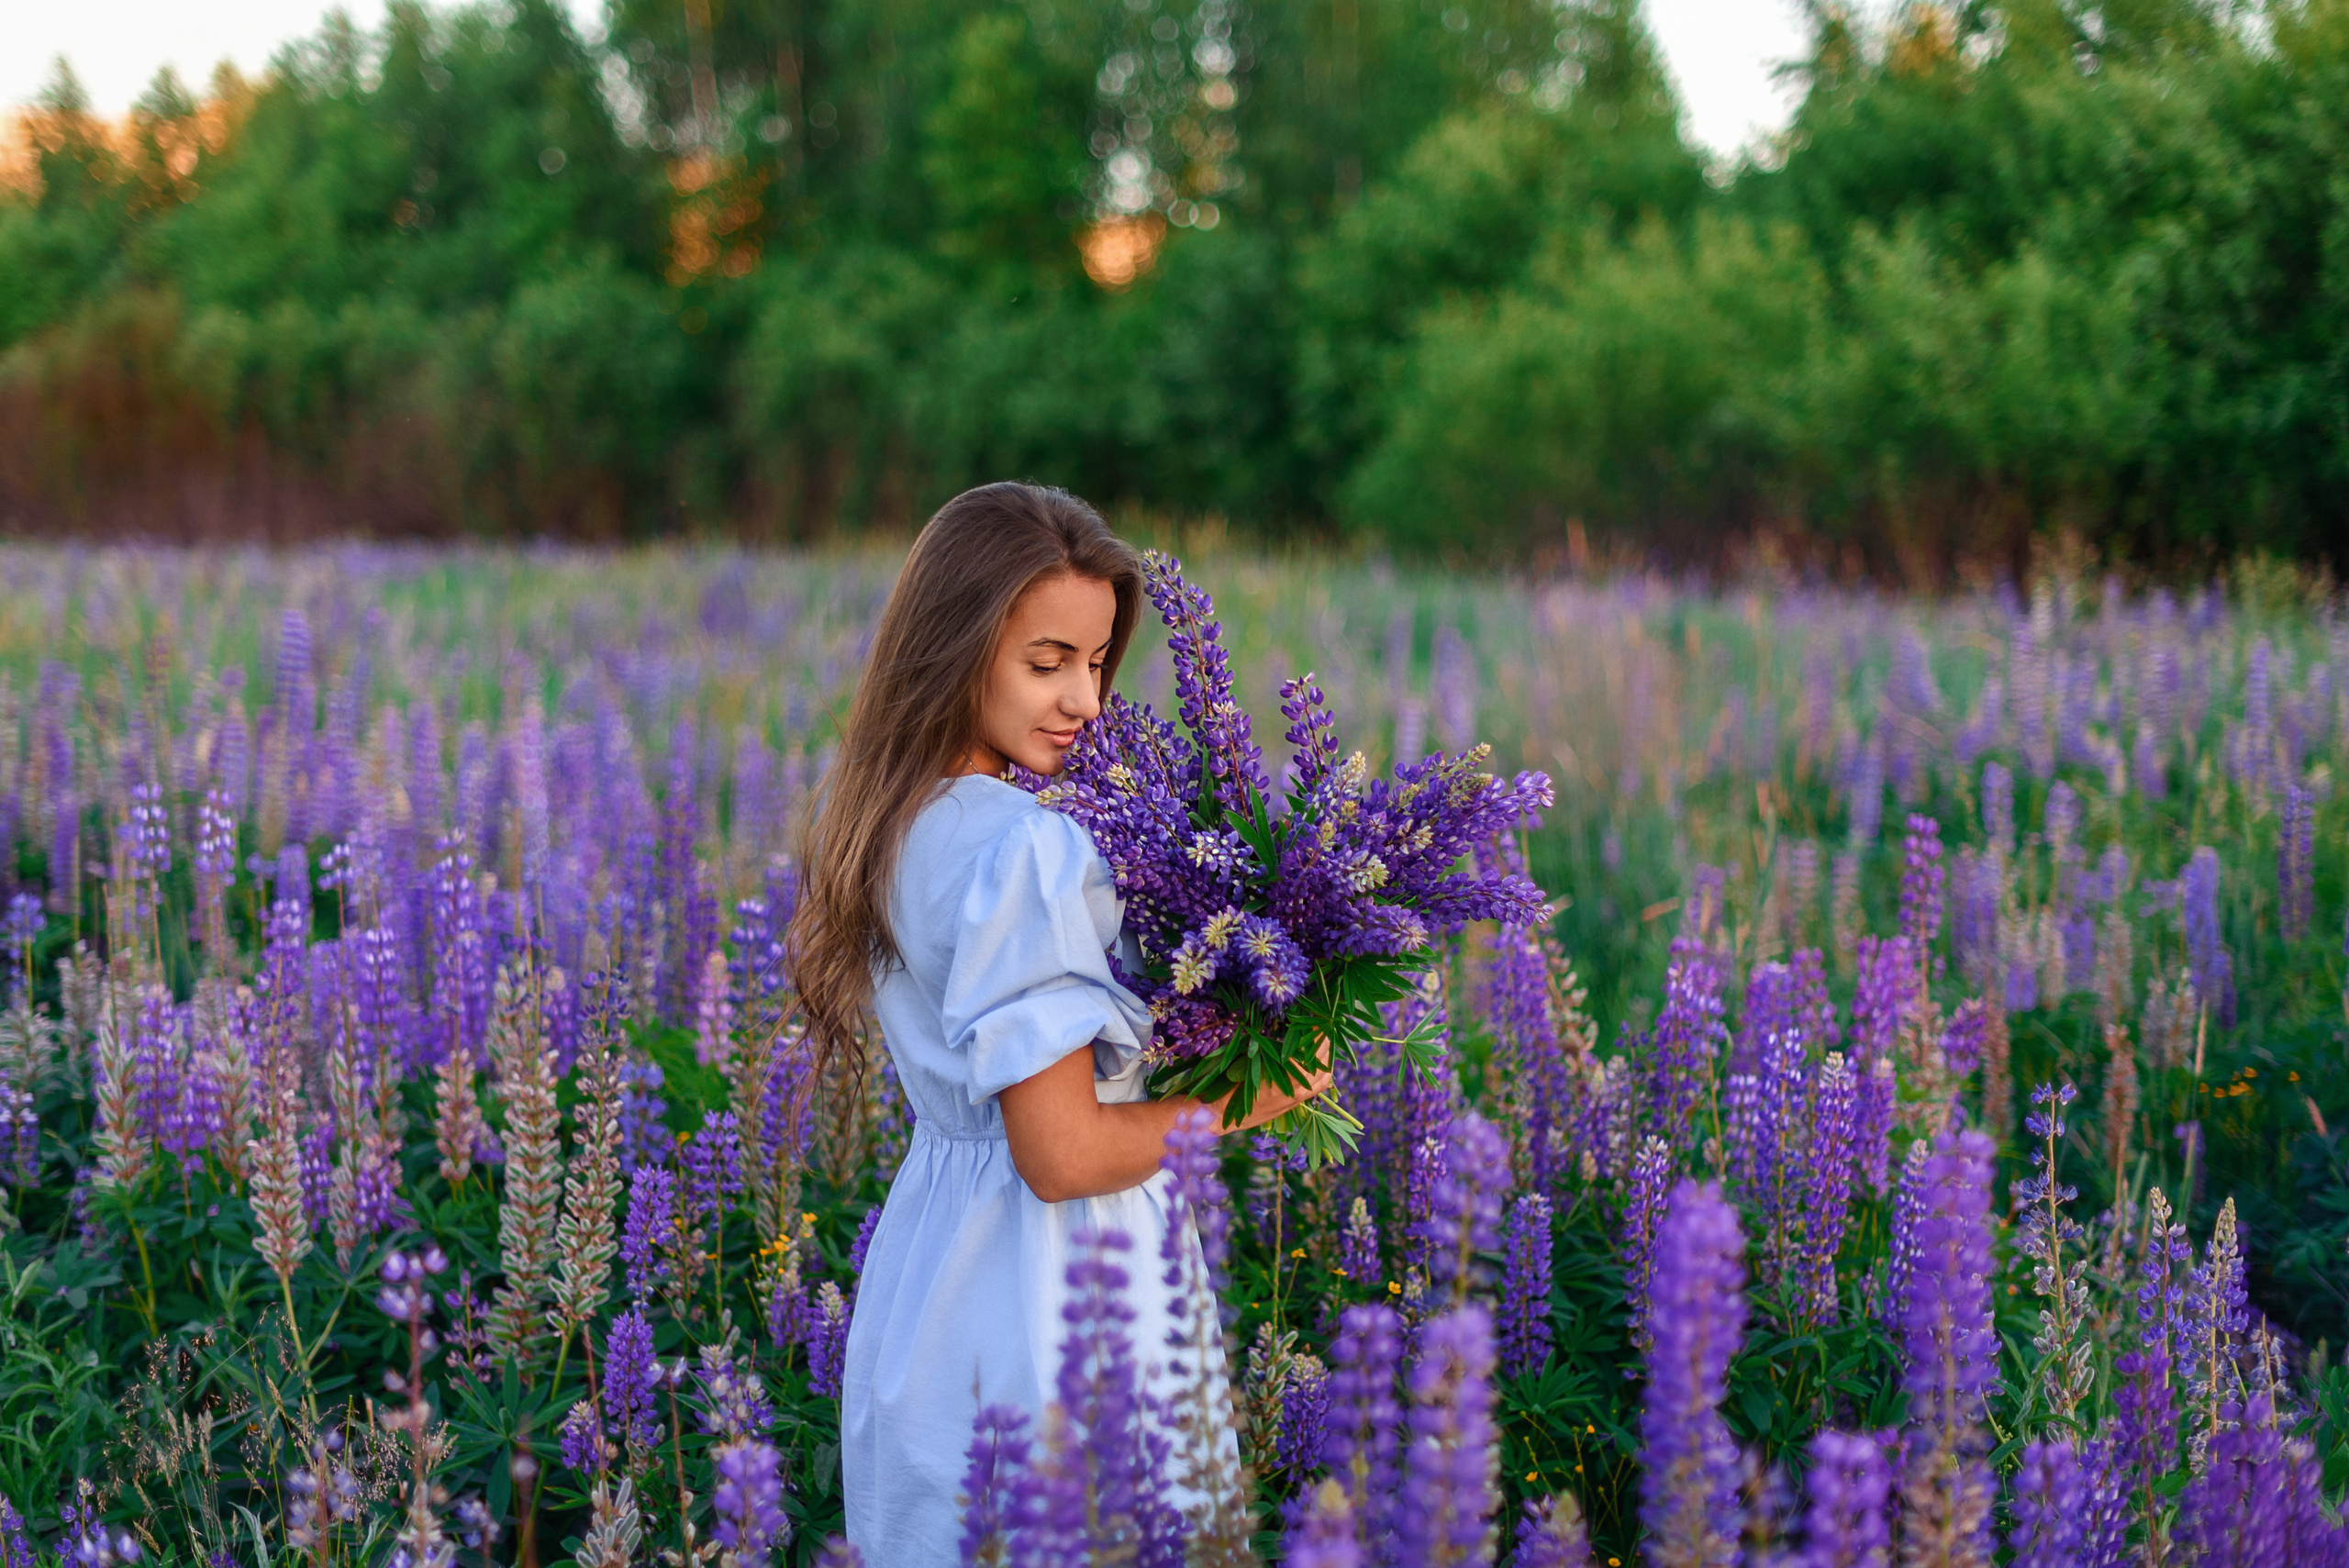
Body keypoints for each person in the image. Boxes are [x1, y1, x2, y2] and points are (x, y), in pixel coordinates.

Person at [789, 481, 1330, 1559]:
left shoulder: (895, 819)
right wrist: (1255, 1090)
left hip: (931, 1280)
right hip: (1054, 1298)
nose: (1083, 698)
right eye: (1046, 663)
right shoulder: (1030, 848)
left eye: (1095, 661)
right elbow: (1062, 1151)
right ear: (953, 649)